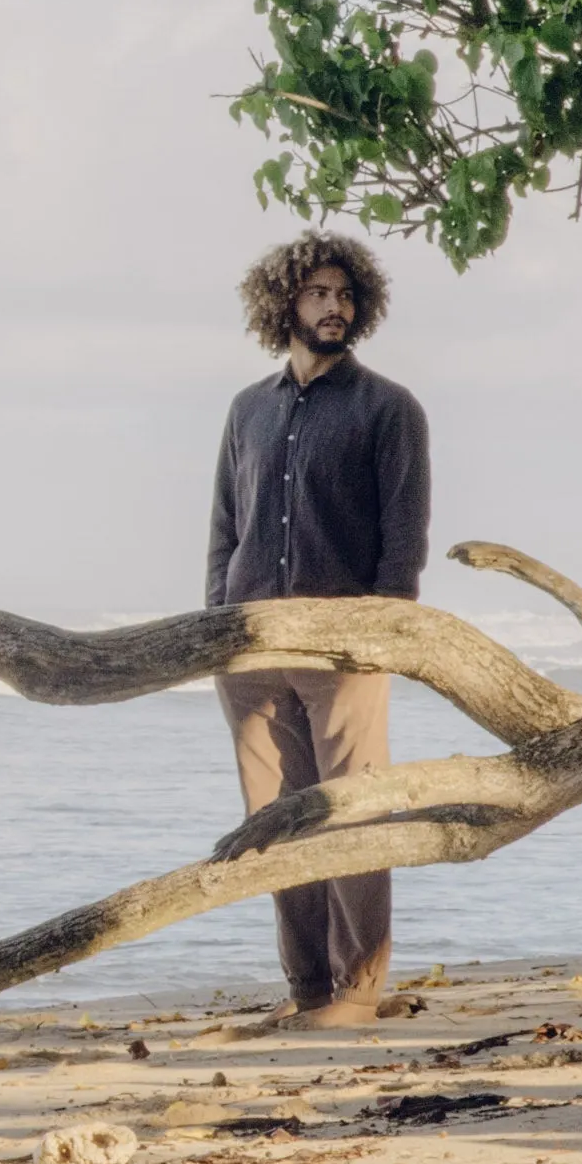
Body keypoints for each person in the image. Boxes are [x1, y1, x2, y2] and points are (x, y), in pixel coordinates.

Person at [204, 232, 432, 1020]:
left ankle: (360, 992)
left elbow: (404, 542)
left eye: (345, 295)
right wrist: (215, 633)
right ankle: (307, 991)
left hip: (345, 651)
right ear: (285, 305)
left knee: (357, 813)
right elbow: (225, 529)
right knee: (274, 824)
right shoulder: (247, 411)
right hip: (251, 649)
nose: (336, 307)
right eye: (318, 294)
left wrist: (383, 636)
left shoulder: (390, 409)